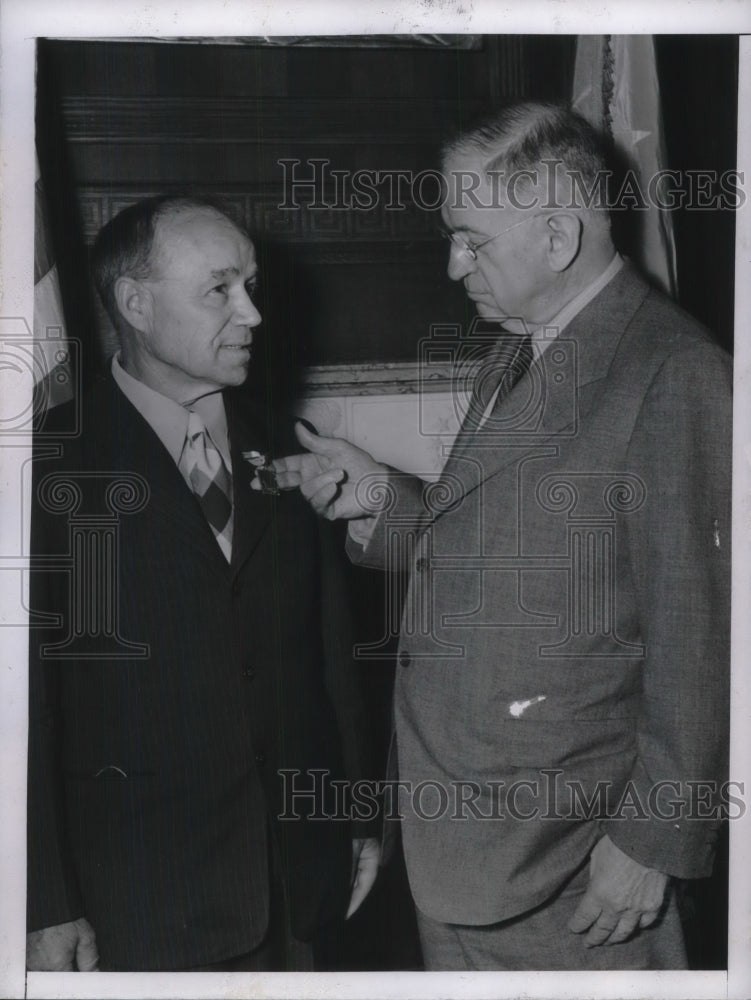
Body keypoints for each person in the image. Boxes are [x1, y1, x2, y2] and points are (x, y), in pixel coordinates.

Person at [262, 103, 732, 970]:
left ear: (557, 236)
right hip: (468, 842)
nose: (452, 265)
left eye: (471, 241)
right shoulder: (520, 348)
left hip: (574, 859)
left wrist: (652, 844)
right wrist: (381, 499)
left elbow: (702, 637)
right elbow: (506, 546)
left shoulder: (673, 371)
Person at [26, 196, 379, 972]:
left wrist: (353, 815)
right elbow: (27, 703)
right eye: (220, 289)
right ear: (136, 304)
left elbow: (329, 656)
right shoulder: (47, 467)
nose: (251, 312)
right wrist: (43, 901)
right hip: (138, 899)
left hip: (296, 881)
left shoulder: (283, 445)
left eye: (250, 284)